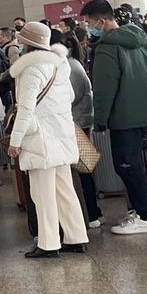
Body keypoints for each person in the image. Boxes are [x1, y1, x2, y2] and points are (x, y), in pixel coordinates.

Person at [82, 0, 147, 235]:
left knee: (126, 164)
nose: (88, 26)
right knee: (133, 163)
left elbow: (104, 88)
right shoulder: (144, 40)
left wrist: (100, 120)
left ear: (100, 20)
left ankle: (143, 214)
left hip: (123, 115)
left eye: (88, 21)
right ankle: (140, 211)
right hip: (144, 111)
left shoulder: (107, 48)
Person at [7, 22, 90, 258]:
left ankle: (48, 243)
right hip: (62, 133)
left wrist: (16, 140)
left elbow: (25, 108)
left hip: (40, 136)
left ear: (26, 42)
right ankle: (77, 237)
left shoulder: (30, 69)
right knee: (65, 189)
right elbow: (71, 96)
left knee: (42, 194)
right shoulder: (60, 63)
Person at [52, 29, 102, 229]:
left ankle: (91, 214)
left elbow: (66, 99)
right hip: (79, 122)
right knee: (83, 170)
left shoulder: (69, 68)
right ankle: (92, 213)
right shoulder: (72, 64)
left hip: (76, 124)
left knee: (82, 171)